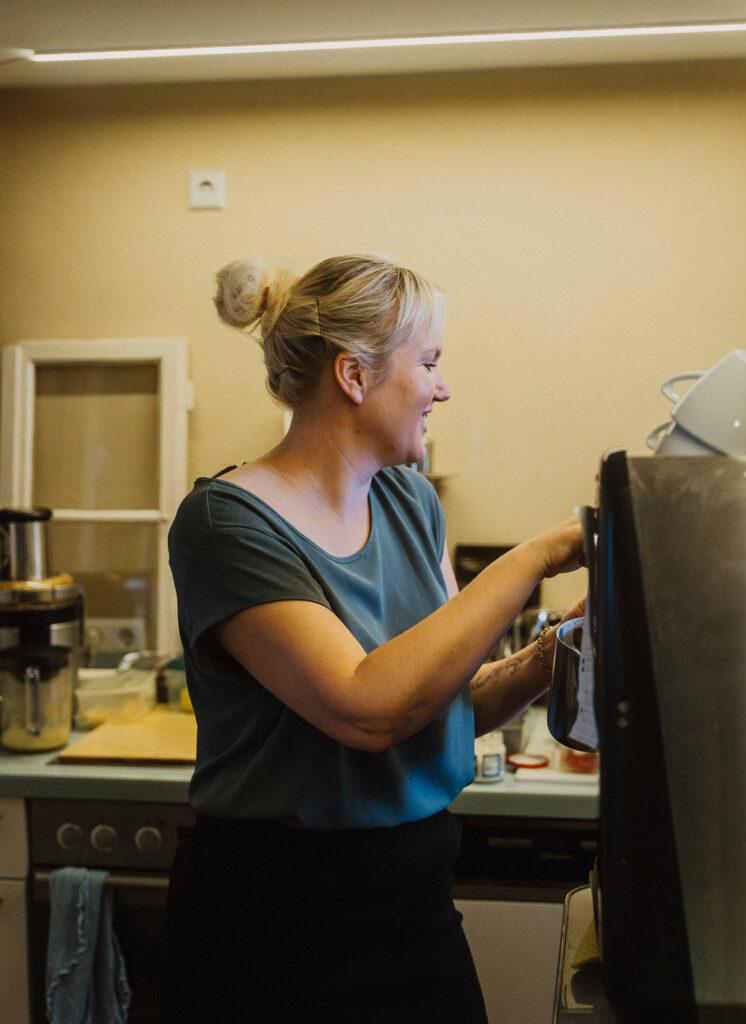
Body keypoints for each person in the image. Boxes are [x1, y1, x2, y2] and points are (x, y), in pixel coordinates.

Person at [158, 254, 584, 1024]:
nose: (443, 389)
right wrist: (538, 555)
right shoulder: (225, 524)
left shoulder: (411, 503)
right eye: (430, 363)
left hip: (416, 910)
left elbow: (442, 701)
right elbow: (368, 710)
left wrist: (555, 653)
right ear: (354, 376)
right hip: (271, 934)